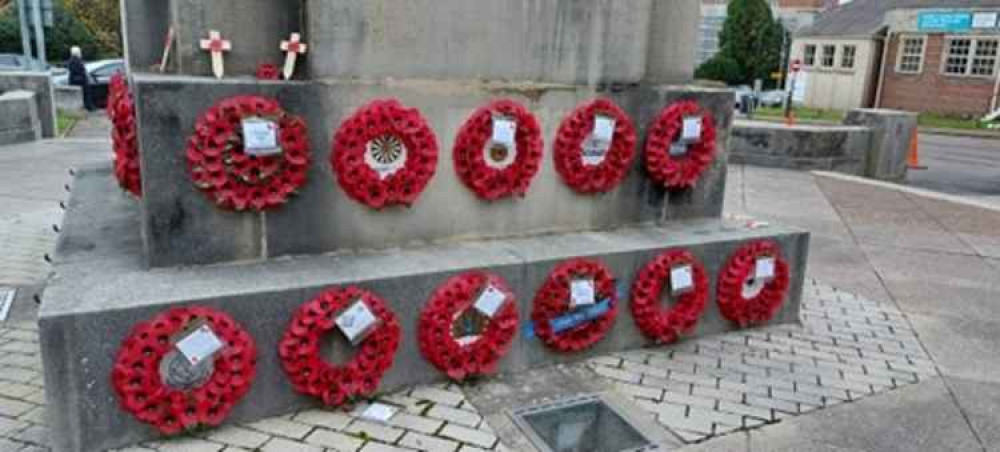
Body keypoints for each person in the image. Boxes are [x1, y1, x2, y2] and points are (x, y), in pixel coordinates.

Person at [67, 46, 94, 111]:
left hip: (74, 80)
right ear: (77, 52)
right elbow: (80, 70)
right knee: (86, 93)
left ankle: (88, 106)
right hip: (80, 80)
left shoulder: (71, 60)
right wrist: (83, 74)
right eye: (79, 51)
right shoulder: (77, 60)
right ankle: (88, 106)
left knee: (85, 94)